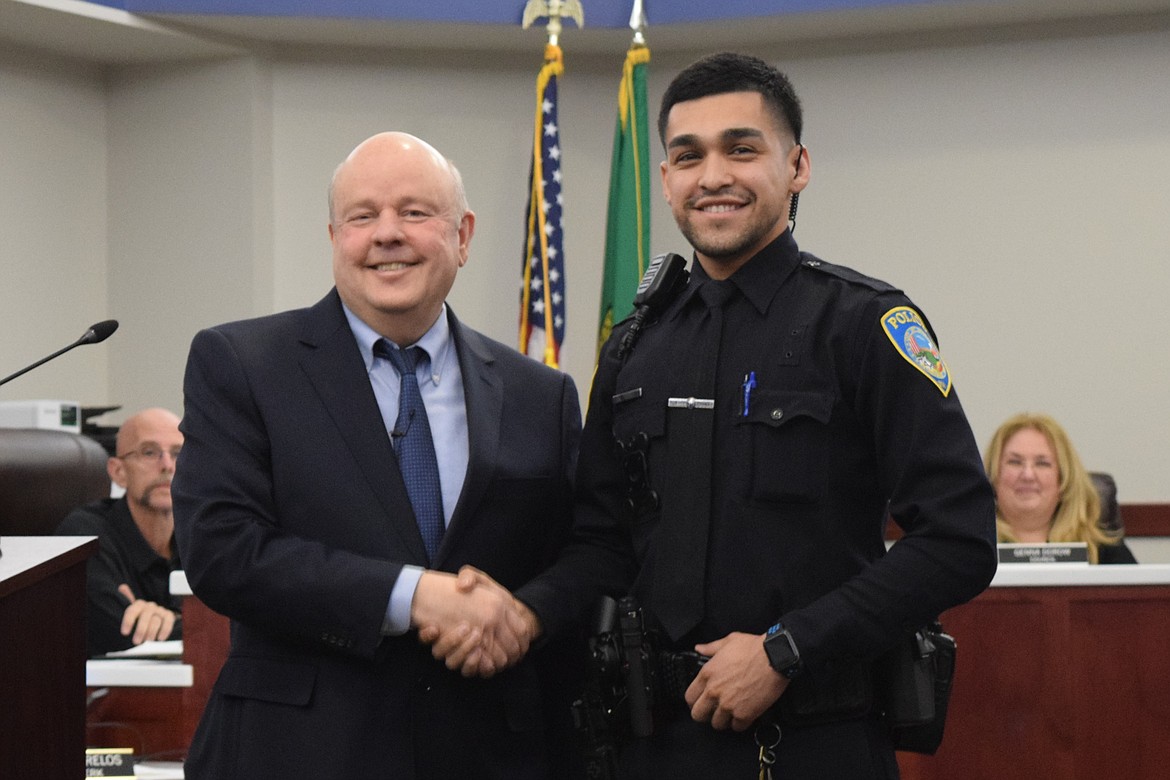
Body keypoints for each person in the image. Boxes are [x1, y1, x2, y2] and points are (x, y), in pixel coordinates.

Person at [457, 52, 997, 778]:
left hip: (813, 738)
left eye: (741, 149)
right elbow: (602, 544)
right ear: (667, 181)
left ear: (797, 166)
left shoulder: (864, 325)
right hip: (652, 744)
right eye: (688, 156)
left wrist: (788, 647)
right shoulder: (634, 346)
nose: (713, 175)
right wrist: (525, 613)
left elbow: (960, 540)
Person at [170, 131, 582, 778]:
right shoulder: (243, 366)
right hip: (297, 753)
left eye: (415, 213)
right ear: (335, 238)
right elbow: (221, 551)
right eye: (363, 217)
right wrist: (416, 597)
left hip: (488, 752)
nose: (387, 234)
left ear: (464, 235)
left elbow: (584, 554)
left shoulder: (541, 394)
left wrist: (526, 616)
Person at [55, 407, 183, 657]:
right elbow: (118, 632)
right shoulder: (84, 535)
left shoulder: (205, 536)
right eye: (149, 452)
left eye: (179, 453)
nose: (167, 465)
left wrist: (172, 619)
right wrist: (193, 623)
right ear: (118, 472)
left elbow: (237, 625)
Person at [985, 412, 1136, 564]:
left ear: (1064, 478)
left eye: (1042, 463)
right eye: (1015, 462)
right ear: (993, 474)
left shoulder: (1100, 549)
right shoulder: (974, 548)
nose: (1028, 475)